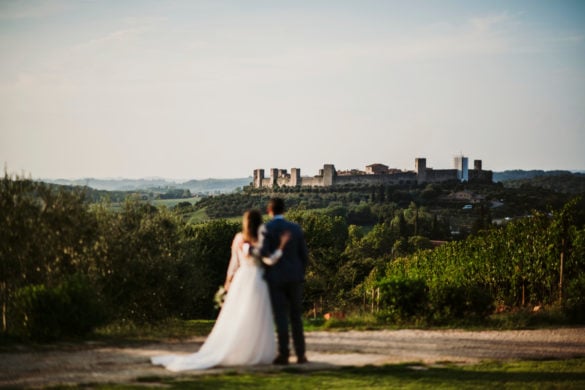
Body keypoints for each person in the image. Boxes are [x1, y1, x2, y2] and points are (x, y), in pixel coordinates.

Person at [151, 209, 288, 371]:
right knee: (257, 315)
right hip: (257, 280)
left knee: (238, 315)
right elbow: (270, 260)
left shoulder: (238, 238)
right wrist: (281, 246)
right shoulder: (262, 240)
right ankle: (254, 351)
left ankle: (239, 349)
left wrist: (227, 283)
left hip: (241, 279)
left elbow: (233, 264)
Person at [250, 197, 309, 365]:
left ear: (269, 211)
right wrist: (300, 274)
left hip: (275, 278)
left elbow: (263, 253)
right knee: (296, 317)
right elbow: (304, 256)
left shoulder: (266, 229)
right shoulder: (295, 229)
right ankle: (301, 355)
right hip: (295, 278)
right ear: (284, 211)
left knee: (281, 316)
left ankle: (284, 354)